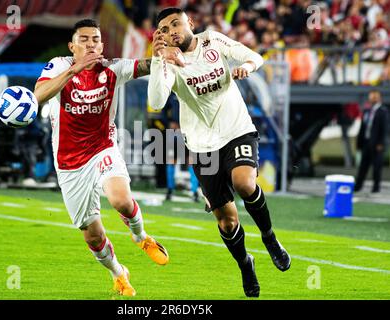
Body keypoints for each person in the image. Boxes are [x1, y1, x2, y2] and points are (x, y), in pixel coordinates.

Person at [148, 8, 291, 298]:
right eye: (164, 29)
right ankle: (245, 264)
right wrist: (156, 60)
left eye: (176, 23)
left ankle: (269, 237)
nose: (172, 30)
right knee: (227, 221)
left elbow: (255, 57)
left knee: (245, 183)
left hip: (237, 130)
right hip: (202, 147)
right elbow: (155, 101)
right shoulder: (167, 63)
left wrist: (247, 68)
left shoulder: (213, 41)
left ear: (190, 23)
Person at [33, 19, 180, 296]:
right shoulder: (59, 66)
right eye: (85, 39)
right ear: (72, 46)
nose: (91, 44)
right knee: (93, 235)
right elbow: (38, 96)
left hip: (102, 148)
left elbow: (144, 65)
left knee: (121, 200)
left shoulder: (112, 69)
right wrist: (75, 70)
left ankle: (141, 237)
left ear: (102, 45)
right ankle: (118, 273)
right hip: (68, 164)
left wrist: (162, 54)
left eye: (96, 40)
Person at [354, 90, 389, 194]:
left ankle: (376, 187)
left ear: (379, 98)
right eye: (371, 97)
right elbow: (362, 127)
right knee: (363, 166)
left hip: (377, 144)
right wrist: (359, 143)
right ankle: (358, 185)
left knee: (376, 167)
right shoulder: (366, 111)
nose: (373, 99)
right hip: (366, 142)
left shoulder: (383, 112)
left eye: (375, 97)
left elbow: (385, 129)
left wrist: (381, 143)